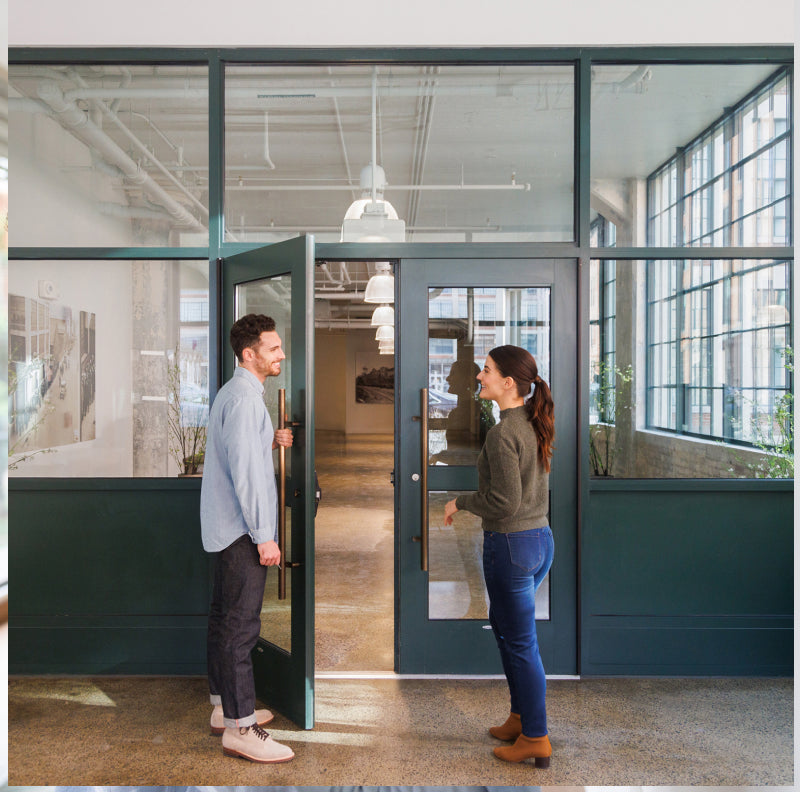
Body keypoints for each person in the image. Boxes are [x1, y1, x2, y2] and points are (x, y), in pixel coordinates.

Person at [443, 345, 555, 767]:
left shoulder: (504, 433)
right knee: (511, 635)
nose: (479, 376)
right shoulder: (529, 421)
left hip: (511, 545)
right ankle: (521, 717)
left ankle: (536, 737)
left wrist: (461, 501)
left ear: (509, 383)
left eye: (486, 371)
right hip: (538, 541)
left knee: (520, 642)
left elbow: (504, 503)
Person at [200, 313, 295, 764]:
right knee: (241, 630)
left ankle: (224, 707)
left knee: (223, 621)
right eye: (273, 348)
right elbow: (248, 478)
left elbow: (239, 452)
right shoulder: (244, 401)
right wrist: (265, 536)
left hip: (225, 528)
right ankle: (241, 730)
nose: (281, 354)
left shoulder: (237, 395)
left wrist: (268, 440)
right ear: (249, 354)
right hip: (242, 531)